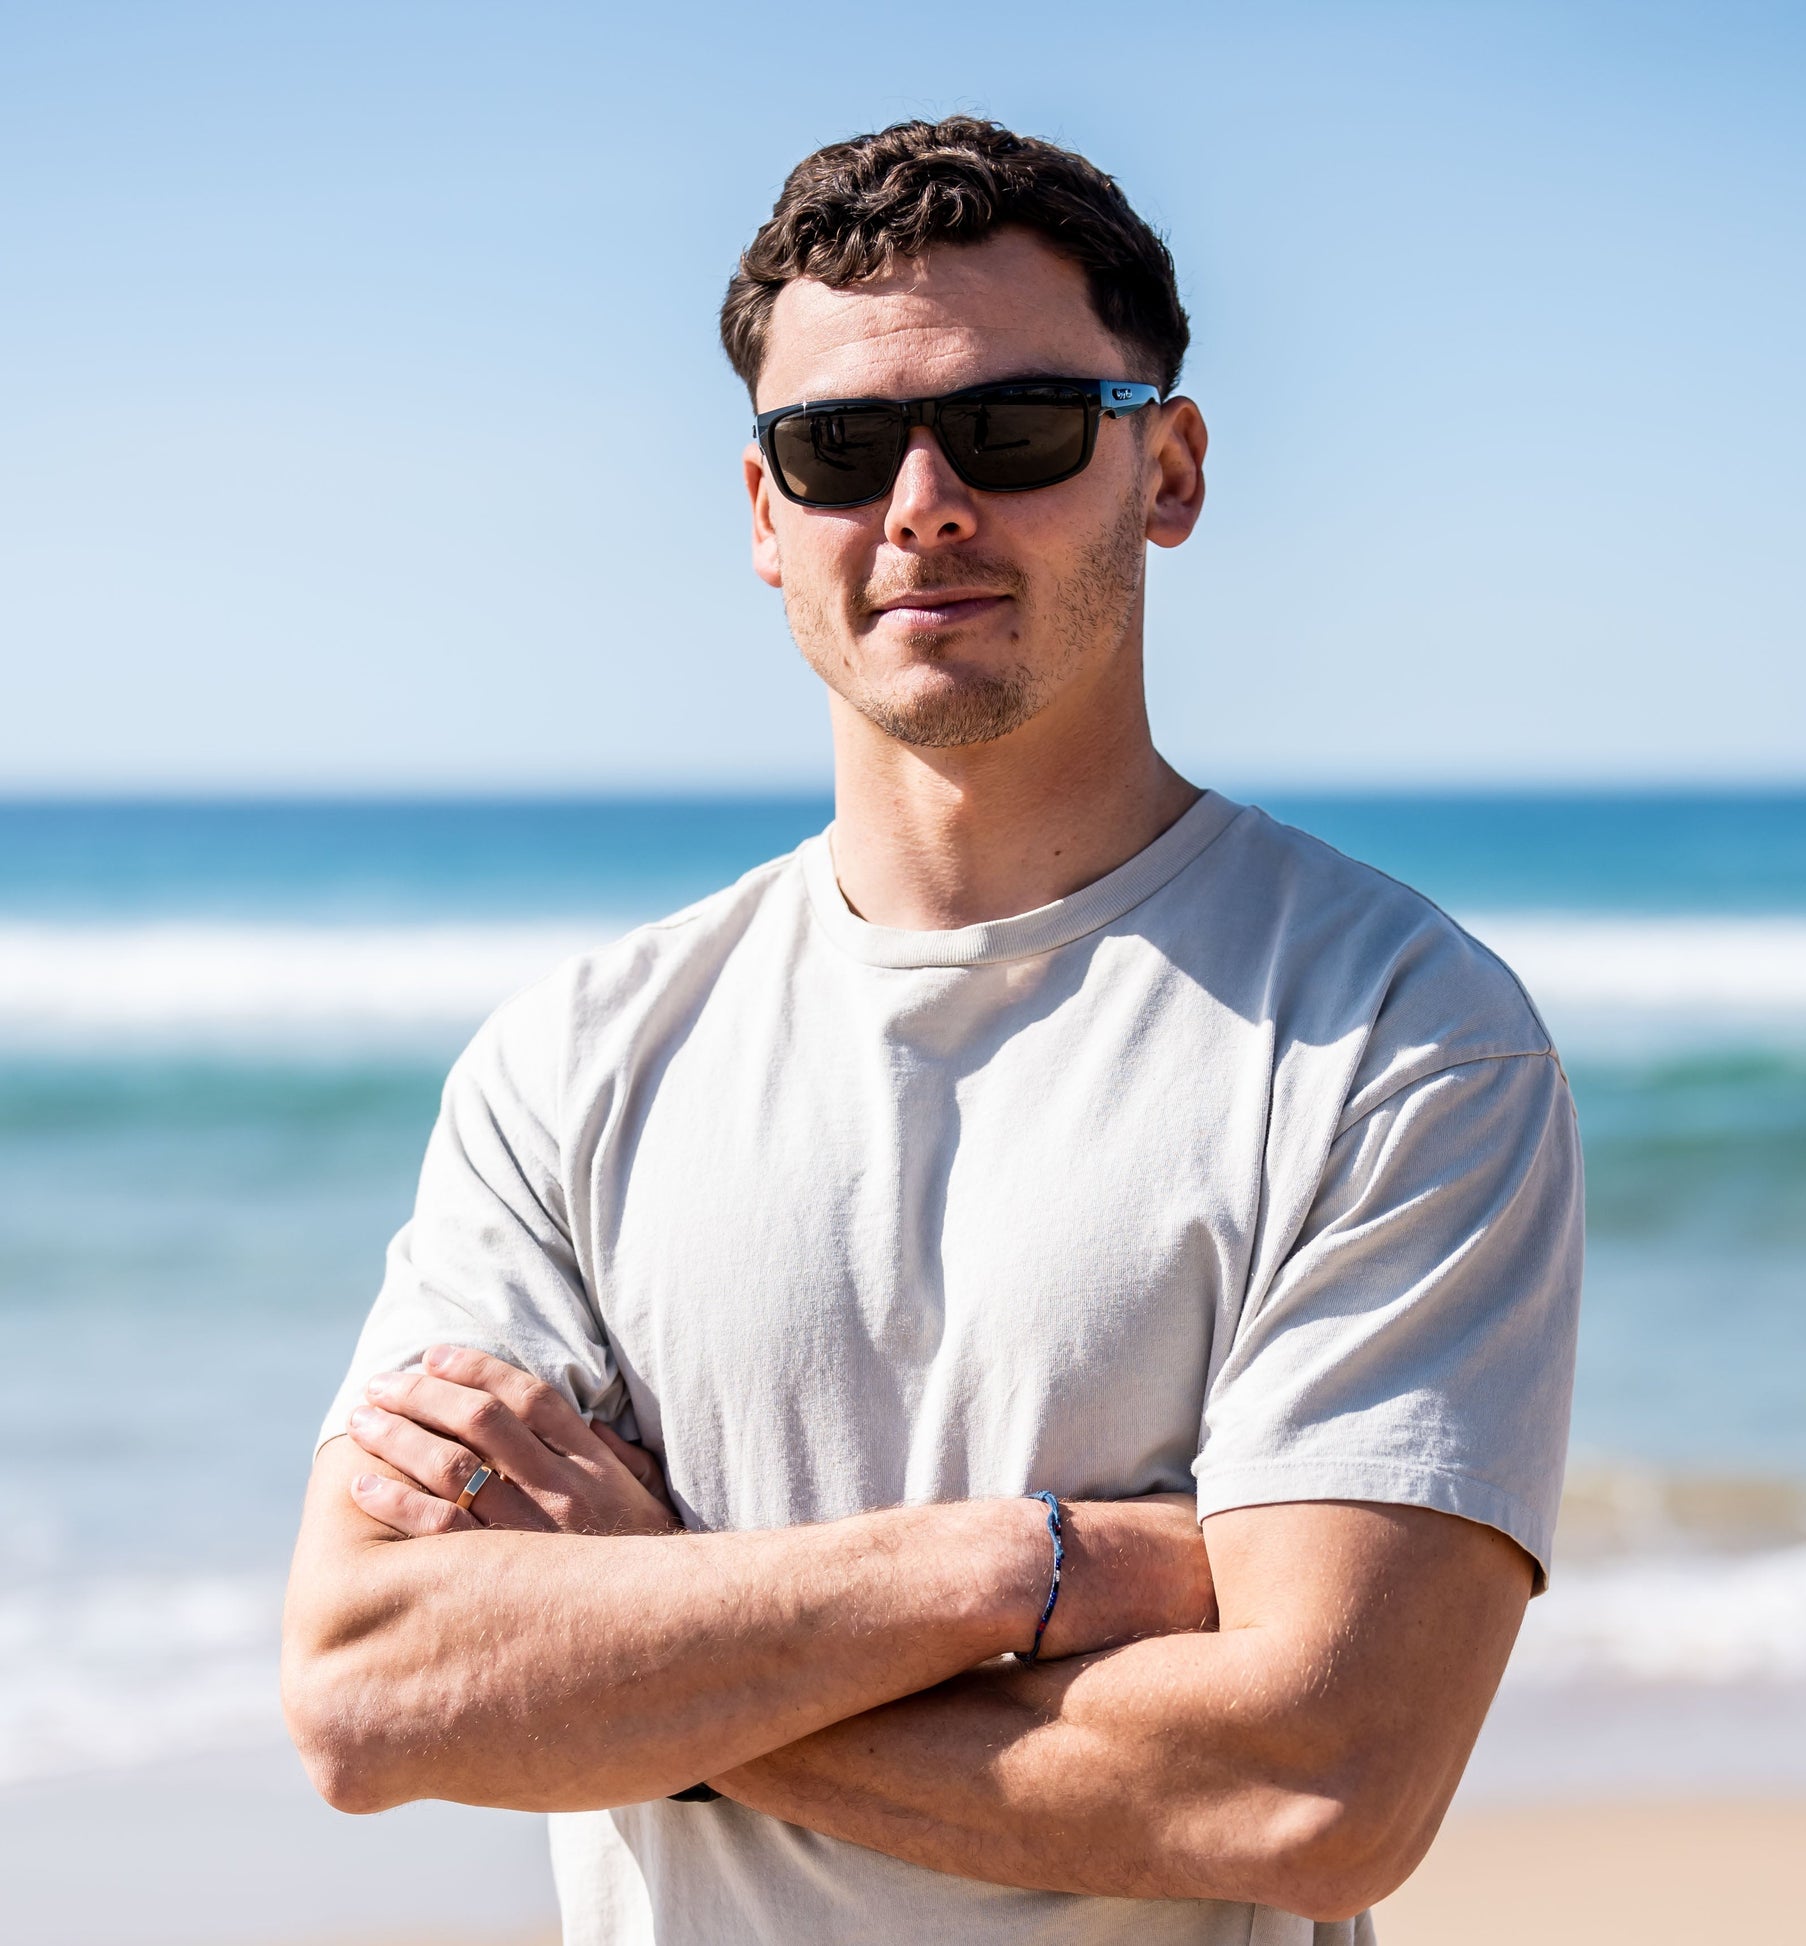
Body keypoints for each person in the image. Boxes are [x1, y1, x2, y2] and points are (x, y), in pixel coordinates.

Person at [282, 117, 1581, 1946]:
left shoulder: (1392, 1032)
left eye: (1014, 427)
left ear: (1168, 470)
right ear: (763, 515)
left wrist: (657, 1649)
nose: (920, 504)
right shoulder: (572, 1063)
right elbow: (370, 1688)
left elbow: (1315, 1785)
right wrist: (1027, 1563)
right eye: (836, 447)